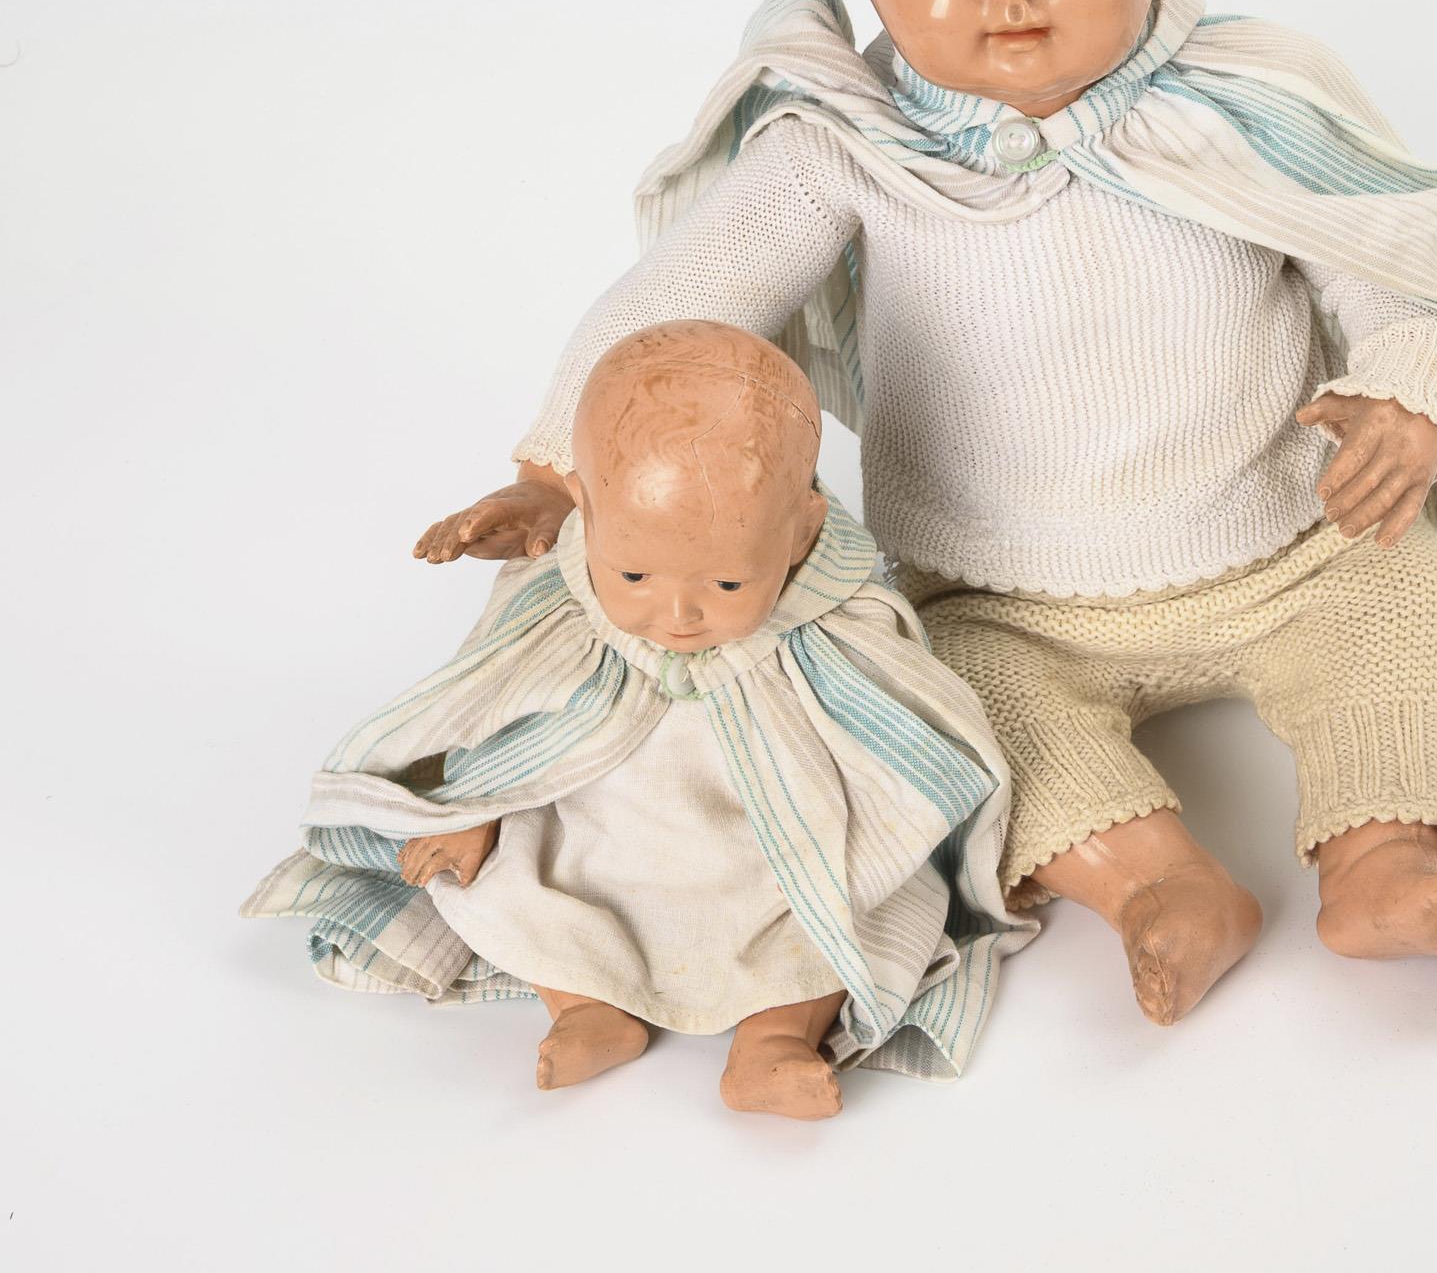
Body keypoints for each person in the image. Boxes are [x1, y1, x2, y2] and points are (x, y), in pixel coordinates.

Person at [415, 0, 1437, 1028]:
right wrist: (563, 464)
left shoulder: (1245, 102)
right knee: (950, 707)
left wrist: (1409, 393)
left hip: (1291, 540)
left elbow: (1395, 251)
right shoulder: (844, 148)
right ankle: (1157, 880)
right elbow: (680, 304)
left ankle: (1384, 848)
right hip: (998, 592)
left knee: (1402, 602)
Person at [245, 321, 1031, 1118]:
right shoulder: (561, 604)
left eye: (727, 584)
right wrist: (475, 811)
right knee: (517, 891)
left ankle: (776, 1040)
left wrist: (921, 820)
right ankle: (585, 1008)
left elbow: (901, 726)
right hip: (595, 845)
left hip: (775, 858)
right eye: (634, 574)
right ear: (585, 510)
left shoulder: (837, 616)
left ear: (802, 528)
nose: (677, 614)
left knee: (858, 909)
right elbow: (498, 705)